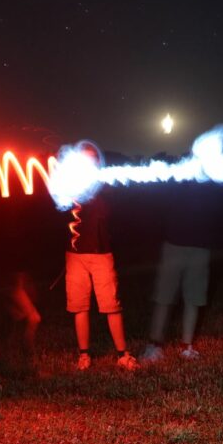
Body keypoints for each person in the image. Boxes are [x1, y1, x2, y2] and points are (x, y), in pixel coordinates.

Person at [64, 143, 137, 371]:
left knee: (111, 304)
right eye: (84, 158)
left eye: (93, 158)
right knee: (79, 305)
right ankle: (84, 355)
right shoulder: (71, 184)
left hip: (101, 254)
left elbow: (108, 206)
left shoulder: (104, 184)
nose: (89, 162)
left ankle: (122, 354)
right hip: (75, 256)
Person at [141, 182, 223, 362]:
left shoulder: (212, 178)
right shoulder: (179, 175)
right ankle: (154, 345)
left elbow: (219, 205)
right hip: (173, 244)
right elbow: (160, 200)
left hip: (200, 247)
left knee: (194, 298)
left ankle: (187, 347)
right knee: (164, 297)